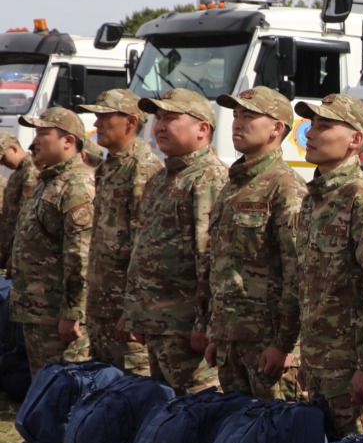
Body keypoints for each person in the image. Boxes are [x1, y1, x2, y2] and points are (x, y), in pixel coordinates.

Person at [294, 93, 363, 437]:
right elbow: (309, 285)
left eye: (324, 126)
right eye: (311, 124)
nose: (310, 133)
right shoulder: (315, 198)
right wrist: (307, 357)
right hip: (320, 363)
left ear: (355, 140)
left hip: (352, 369)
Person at [200, 87, 306, 399]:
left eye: (249, 116)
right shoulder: (233, 186)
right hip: (231, 339)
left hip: (267, 345)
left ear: (276, 128)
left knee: (275, 425)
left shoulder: (285, 186)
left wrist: (285, 344)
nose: (238, 122)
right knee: (238, 424)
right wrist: (217, 333)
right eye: (236, 115)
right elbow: (221, 265)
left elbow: (298, 272)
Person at [122, 88, 229, 392]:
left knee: (194, 408)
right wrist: (135, 313)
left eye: (170, 118)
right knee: (165, 408)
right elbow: (143, 250)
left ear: (202, 129)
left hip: (186, 327)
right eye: (158, 118)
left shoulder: (208, 177)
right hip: (157, 322)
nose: (159, 126)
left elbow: (209, 256)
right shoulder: (161, 178)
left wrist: (205, 322)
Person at [77, 89, 163, 372]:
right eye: (96, 117)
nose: (96, 124)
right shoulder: (108, 167)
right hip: (103, 303)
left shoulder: (142, 168)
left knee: (133, 383)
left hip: (125, 310)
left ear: (130, 121)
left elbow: (145, 246)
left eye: (104, 117)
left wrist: (134, 309)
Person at [10, 107, 94, 372]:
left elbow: (80, 256)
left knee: (62, 386)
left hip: (58, 314)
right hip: (38, 310)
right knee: (43, 383)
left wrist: (73, 312)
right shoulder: (49, 180)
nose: (34, 142)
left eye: (42, 134)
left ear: (68, 141)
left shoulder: (76, 184)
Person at [0, 131, 38, 270]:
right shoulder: (17, 172)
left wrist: (15, 254)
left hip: (18, 250)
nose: (2, 163)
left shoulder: (30, 171)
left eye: (3, 157)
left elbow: (26, 217)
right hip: (9, 248)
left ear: (13, 148)